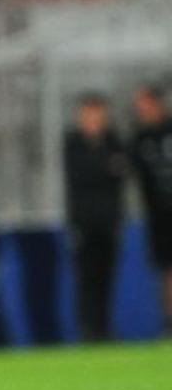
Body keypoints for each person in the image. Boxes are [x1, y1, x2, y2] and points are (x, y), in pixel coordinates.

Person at [64, 93, 126, 342]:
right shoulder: (73, 142)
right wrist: (107, 165)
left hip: (109, 219)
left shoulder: (113, 140)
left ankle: (104, 328)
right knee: (86, 277)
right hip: (83, 220)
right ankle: (88, 329)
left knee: (106, 277)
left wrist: (108, 166)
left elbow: (121, 172)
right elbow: (85, 174)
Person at [129, 86, 172, 334]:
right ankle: (169, 322)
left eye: (144, 104)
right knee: (165, 269)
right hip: (158, 215)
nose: (140, 110)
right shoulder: (140, 138)